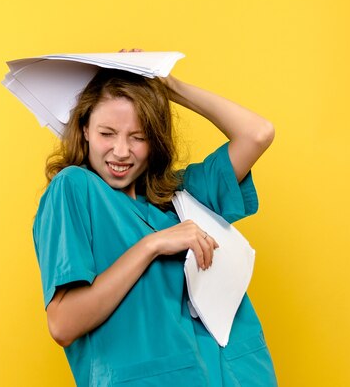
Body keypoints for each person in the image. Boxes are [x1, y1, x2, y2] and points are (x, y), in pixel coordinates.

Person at [33, 49, 278, 386]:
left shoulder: (182, 194)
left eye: (138, 137)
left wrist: (168, 85)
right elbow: (63, 324)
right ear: (84, 129)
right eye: (107, 134)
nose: (121, 151)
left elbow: (258, 133)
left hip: (238, 375)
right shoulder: (75, 188)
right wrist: (152, 244)